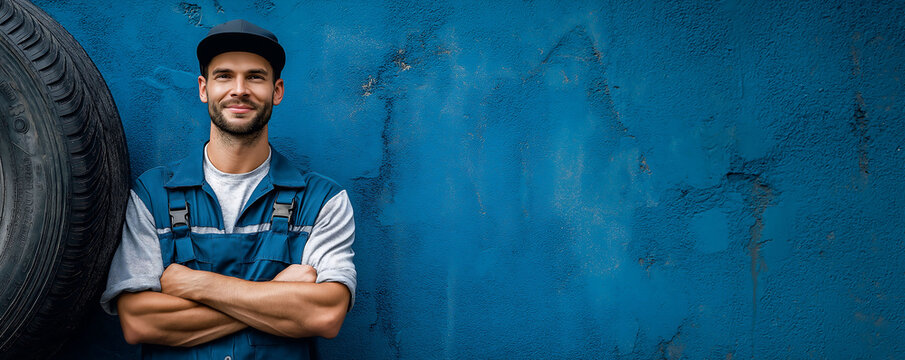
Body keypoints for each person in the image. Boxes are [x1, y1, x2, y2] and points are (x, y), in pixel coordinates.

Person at [100, 19, 356, 359]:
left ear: (276, 91)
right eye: (224, 76)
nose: (239, 89)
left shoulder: (323, 200)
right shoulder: (153, 195)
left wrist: (196, 285)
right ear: (204, 88)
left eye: (255, 76)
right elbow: (140, 323)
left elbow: (325, 315)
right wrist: (277, 294)